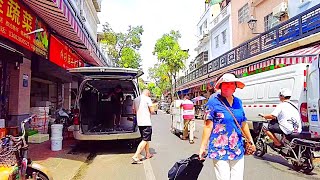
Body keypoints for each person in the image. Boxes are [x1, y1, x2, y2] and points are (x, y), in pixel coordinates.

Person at [199, 73, 256, 180]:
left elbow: (243, 123)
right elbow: (208, 126)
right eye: (225, 84)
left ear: (235, 87)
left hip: (237, 148)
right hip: (219, 148)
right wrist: (203, 147)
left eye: (231, 84)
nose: (228, 87)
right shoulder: (213, 101)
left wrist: (250, 141)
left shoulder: (238, 102)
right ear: (220, 86)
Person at [132, 89, 154, 164]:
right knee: (145, 139)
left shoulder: (135, 99)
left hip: (140, 122)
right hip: (146, 122)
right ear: (148, 93)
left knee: (145, 138)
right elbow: (152, 110)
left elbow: (134, 111)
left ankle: (148, 154)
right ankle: (136, 155)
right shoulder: (148, 99)